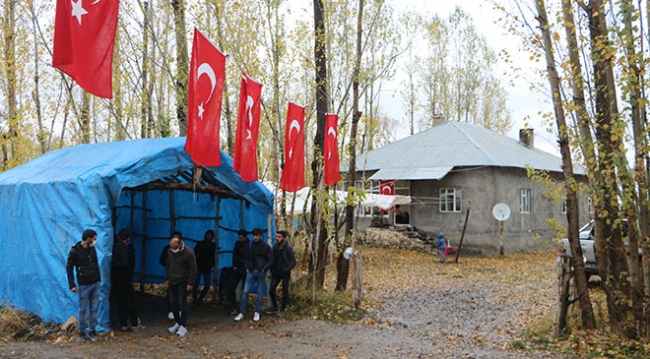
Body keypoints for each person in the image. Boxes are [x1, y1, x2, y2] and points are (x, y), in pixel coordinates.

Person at [66, 229, 101, 342]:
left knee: (94, 309)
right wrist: (72, 284)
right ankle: (81, 332)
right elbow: (69, 268)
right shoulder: (75, 251)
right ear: (88, 239)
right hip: (84, 284)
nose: (95, 241)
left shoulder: (92, 249)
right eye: (94, 239)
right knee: (82, 309)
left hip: (95, 282)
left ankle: (92, 331)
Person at [234, 228, 273, 322]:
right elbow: (246, 256)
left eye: (257, 236)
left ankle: (257, 312)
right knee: (245, 291)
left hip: (260, 271)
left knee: (260, 293)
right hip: (251, 271)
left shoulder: (266, 246)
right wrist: (247, 267)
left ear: (260, 236)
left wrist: (264, 268)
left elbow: (271, 259)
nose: (255, 237)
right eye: (254, 235)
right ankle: (241, 312)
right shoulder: (249, 245)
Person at [111, 228, 145, 331]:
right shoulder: (125, 249)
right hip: (125, 278)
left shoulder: (113, 247)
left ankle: (123, 323)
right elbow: (125, 263)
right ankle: (134, 323)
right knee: (131, 301)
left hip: (116, 279)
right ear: (128, 238)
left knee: (120, 302)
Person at [165, 235, 197, 338]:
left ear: (179, 244)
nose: (172, 249)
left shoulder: (189, 253)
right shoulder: (169, 252)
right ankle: (177, 322)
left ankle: (183, 325)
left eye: (174, 247)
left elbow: (193, 269)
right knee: (173, 303)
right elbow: (168, 265)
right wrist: (167, 278)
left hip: (183, 281)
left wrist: (190, 283)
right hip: (172, 281)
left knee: (182, 302)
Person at [267, 230, 296, 317]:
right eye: (277, 237)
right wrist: (271, 268)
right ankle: (275, 307)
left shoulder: (288, 249)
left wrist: (286, 269)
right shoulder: (275, 247)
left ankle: (283, 309)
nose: (277, 238)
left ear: (284, 238)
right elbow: (272, 259)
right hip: (276, 272)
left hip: (285, 273)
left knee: (285, 291)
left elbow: (293, 262)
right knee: (271, 290)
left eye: (279, 237)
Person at [226, 229, 250, 315]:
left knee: (245, 290)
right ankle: (234, 306)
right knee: (230, 288)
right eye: (239, 238)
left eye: (242, 238)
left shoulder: (249, 245)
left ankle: (243, 307)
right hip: (238, 268)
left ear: (245, 237)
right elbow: (235, 255)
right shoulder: (237, 243)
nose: (240, 239)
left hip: (246, 269)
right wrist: (234, 265)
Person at [159, 231, 182, 320]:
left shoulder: (183, 249)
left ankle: (180, 310)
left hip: (181, 274)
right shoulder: (167, 249)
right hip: (171, 274)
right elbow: (161, 260)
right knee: (171, 293)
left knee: (180, 292)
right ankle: (171, 310)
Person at [193, 229, 216, 305]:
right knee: (195, 284)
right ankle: (195, 299)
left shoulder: (213, 245)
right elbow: (194, 254)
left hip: (207, 268)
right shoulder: (200, 244)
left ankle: (200, 299)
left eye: (210, 235)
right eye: (207, 235)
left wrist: (212, 264)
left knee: (207, 285)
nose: (208, 237)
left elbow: (214, 257)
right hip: (198, 266)